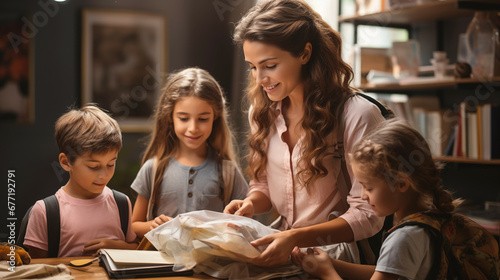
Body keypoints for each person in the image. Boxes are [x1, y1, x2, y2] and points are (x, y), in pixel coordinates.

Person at [224, 0, 386, 266]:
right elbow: (263, 185)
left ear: (305, 53)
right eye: (253, 67)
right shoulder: (262, 113)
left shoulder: (357, 115)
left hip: (340, 260)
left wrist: (297, 238)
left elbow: (369, 215)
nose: (259, 79)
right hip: (286, 251)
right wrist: (251, 204)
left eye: (270, 65)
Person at [293, 119, 462, 280]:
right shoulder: (431, 218)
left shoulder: (403, 237)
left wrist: (326, 273)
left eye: (369, 187)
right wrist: (333, 264)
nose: (363, 195)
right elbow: (388, 271)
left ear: (401, 183)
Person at [131, 67, 249, 238]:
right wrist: (152, 225)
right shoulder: (153, 169)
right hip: (161, 263)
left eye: (202, 119)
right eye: (184, 118)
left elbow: (246, 221)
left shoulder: (228, 172)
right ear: (170, 117)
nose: (193, 128)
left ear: (215, 117)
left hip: (213, 263)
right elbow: (135, 225)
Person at [23, 105, 138, 258]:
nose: (104, 175)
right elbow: (37, 269)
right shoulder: (45, 212)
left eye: (111, 164)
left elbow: (135, 249)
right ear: (66, 162)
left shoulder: (122, 203)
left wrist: (118, 246)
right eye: (93, 166)